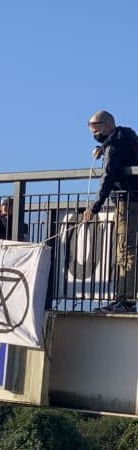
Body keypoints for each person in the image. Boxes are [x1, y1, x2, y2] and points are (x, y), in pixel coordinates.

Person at [83, 110, 138, 313]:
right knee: (127, 249)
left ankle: (126, 301)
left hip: (127, 200)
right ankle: (124, 298)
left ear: (106, 125)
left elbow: (108, 176)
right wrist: (103, 147)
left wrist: (94, 207)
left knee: (125, 250)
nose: (92, 131)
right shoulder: (124, 138)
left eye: (93, 126)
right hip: (133, 199)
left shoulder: (114, 146)